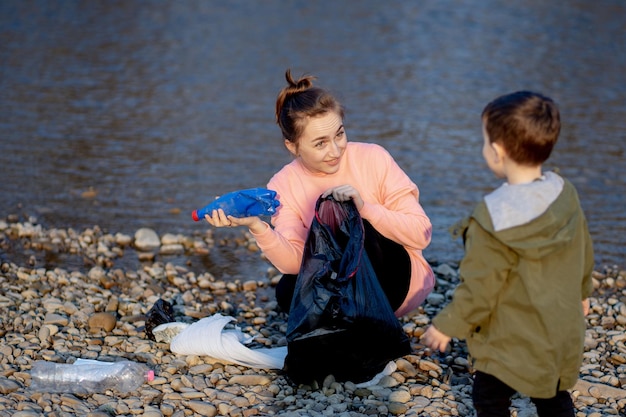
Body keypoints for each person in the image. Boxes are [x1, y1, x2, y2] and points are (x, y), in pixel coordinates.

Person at [204, 69, 435, 317]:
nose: (335, 150)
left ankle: (361, 322)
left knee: (352, 221)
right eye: (320, 143)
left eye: (340, 134)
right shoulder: (283, 184)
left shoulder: (374, 157)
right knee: (287, 291)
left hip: (396, 282)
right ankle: (347, 327)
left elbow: (421, 235)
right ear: (293, 147)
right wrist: (257, 227)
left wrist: (365, 208)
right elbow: (294, 264)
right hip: (342, 288)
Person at [421, 91, 594, 417]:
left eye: (485, 141)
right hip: (559, 328)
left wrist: (447, 325)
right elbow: (583, 245)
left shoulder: (493, 217)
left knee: (489, 397)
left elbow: (480, 287)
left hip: (512, 335)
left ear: (498, 151)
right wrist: (583, 292)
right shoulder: (564, 192)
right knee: (552, 395)